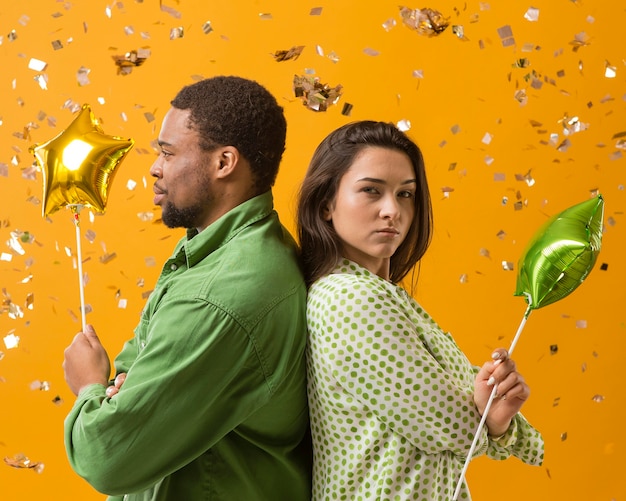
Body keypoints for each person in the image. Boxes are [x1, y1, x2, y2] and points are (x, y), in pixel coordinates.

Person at [63, 76, 312, 500]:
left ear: (224, 163)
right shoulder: (217, 255)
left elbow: (105, 455)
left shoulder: (221, 295)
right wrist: (125, 387)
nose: (154, 167)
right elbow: (131, 369)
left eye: (168, 151)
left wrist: (90, 385)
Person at [296, 120, 544, 501]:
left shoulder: (382, 296)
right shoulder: (349, 299)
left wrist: (490, 410)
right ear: (326, 204)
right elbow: (451, 426)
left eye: (406, 194)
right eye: (370, 191)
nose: (391, 210)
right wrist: (487, 416)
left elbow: (462, 420)